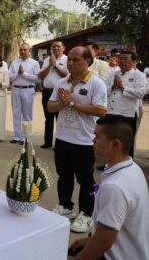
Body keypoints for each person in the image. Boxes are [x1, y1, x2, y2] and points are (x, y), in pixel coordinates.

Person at [68, 115, 149, 260]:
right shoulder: (132, 167)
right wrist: (89, 241)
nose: (93, 141)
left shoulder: (115, 187)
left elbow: (103, 242)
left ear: (115, 144)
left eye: (97, 136)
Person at [47, 46, 107, 233]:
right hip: (63, 138)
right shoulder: (62, 82)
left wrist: (72, 103)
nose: (70, 63)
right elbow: (50, 106)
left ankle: (86, 214)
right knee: (64, 176)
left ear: (87, 62)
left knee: (85, 180)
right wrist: (61, 103)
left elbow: (101, 110)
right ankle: (65, 206)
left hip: (84, 141)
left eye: (75, 60)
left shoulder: (96, 84)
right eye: (69, 60)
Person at [104, 51, 146, 158]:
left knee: (125, 141)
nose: (122, 61)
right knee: (111, 139)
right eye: (120, 58)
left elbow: (140, 93)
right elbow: (103, 90)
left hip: (127, 114)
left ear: (133, 61)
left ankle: (127, 163)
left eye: (125, 59)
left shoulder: (139, 75)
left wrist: (122, 87)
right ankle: (110, 162)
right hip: (111, 111)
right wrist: (113, 86)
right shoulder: (113, 73)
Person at [38, 41, 68, 148]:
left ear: (63, 48)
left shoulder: (67, 60)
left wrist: (55, 66)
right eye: (53, 47)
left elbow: (67, 75)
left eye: (58, 46)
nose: (56, 48)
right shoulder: (47, 60)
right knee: (48, 118)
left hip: (60, 93)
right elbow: (41, 76)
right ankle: (48, 142)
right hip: (47, 91)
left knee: (60, 119)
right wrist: (50, 64)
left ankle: (59, 144)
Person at [8, 43, 40, 144]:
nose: (22, 51)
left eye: (25, 50)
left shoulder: (34, 63)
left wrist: (24, 74)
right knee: (16, 113)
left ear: (29, 51)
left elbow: (37, 78)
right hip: (16, 89)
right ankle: (17, 136)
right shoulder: (14, 63)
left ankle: (26, 138)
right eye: (21, 50)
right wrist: (18, 74)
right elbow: (10, 77)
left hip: (28, 90)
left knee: (27, 114)